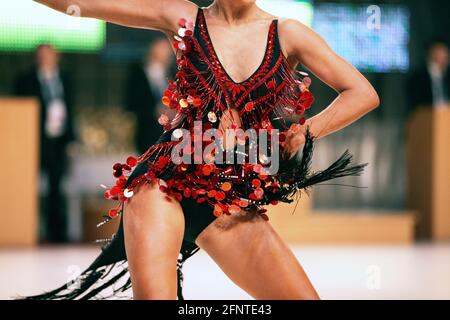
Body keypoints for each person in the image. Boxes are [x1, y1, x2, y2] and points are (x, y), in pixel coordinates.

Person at [25, 0, 379, 300]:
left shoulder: (287, 33)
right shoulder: (184, 17)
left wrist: (306, 130)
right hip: (163, 183)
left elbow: (362, 93)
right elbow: (82, 4)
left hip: (227, 197)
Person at [15, 43, 76, 244]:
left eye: (49, 55)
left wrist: (71, 139)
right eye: (42, 55)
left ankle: (57, 233)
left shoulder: (66, 79)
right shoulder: (25, 80)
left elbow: (71, 111)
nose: (45, 59)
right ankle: (24, 229)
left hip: (57, 141)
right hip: (34, 140)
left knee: (56, 188)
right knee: (26, 186)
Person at [126, 38, 175, 155]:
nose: (167, 53)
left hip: (169, 137)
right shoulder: (138, 75)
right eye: (163, 48)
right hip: (146, 133)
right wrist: (154, 111)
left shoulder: (173, 75)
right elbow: (131, 102)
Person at [409, 39, 450, 111]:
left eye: (445, 53)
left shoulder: (447, 77)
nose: (444, 56)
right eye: (440, 52)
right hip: (425, 118)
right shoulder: (417, 78)